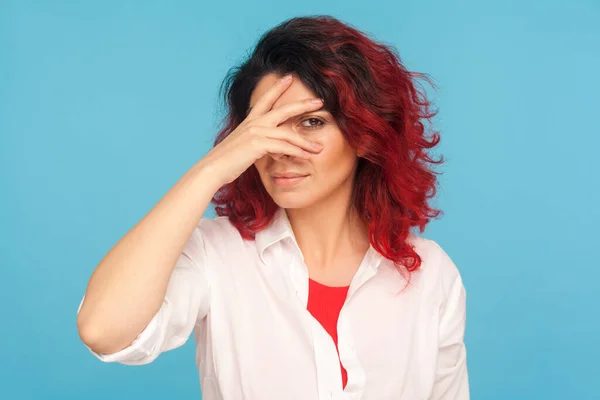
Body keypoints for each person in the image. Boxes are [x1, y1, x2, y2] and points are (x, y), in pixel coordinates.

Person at [76, 14, 469, 400]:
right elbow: (104, 330)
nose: (281, 148)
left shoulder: (431, 275)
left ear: (364, 133)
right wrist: (211, 169)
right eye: (263, 126)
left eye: (311, 122)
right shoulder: (215, 254)